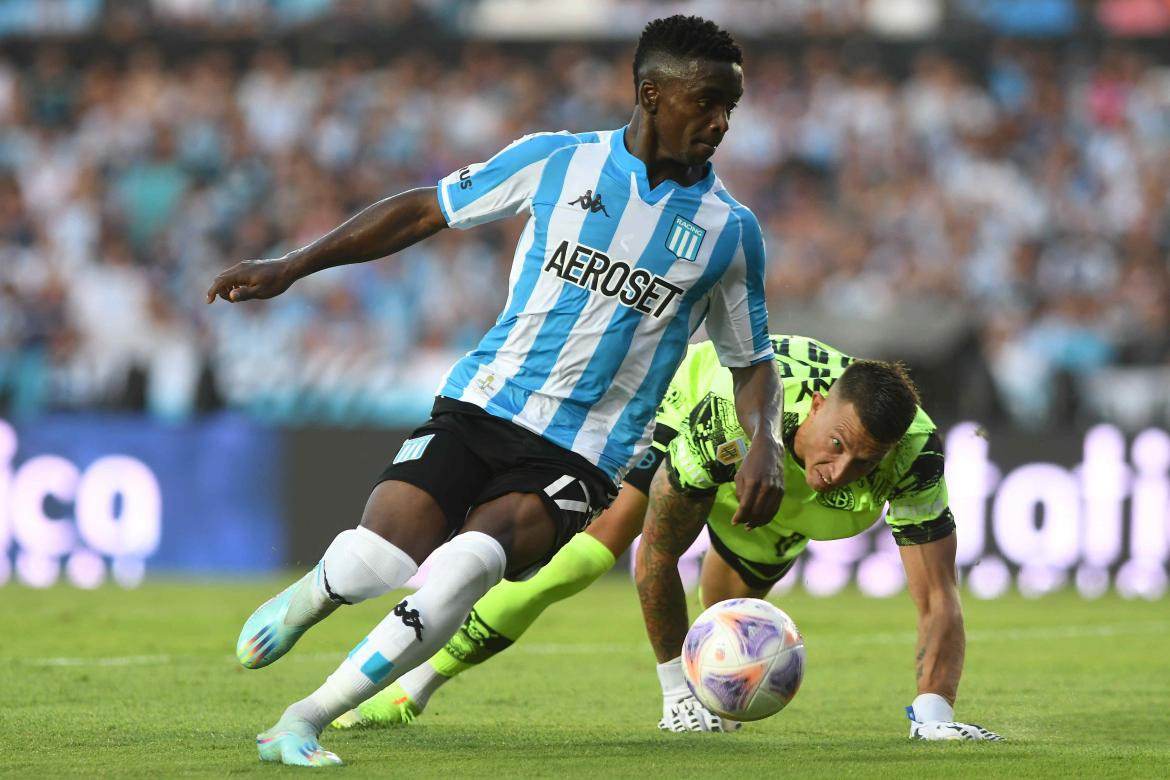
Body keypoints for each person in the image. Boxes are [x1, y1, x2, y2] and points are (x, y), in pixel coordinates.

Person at [205, 15, 784, 768]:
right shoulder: (556, 163)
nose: (719, 123)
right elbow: (425, 209)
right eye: (707, 101)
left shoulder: (728, 232)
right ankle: (318, 590)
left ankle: (303, 717)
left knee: (469, 563)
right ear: (651, 93)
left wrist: (765, 439)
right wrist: (293, 264)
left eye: (729, 108)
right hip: (483, 401)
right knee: (374, 562)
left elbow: (751, 360)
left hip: (582, 450)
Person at [337, 335, 1003, 741]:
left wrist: (935, 711)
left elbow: (937, 596)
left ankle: (710, 693)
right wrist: (674, 692)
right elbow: (657, 552)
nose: (844, 472)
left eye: (865, 463)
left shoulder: (913, 453)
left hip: (778, 497)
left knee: (727, 619)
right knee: (594, 548)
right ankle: (414, 683)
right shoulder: (727, 417)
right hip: (676, 407)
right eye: (840, 448)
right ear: (822, 400)